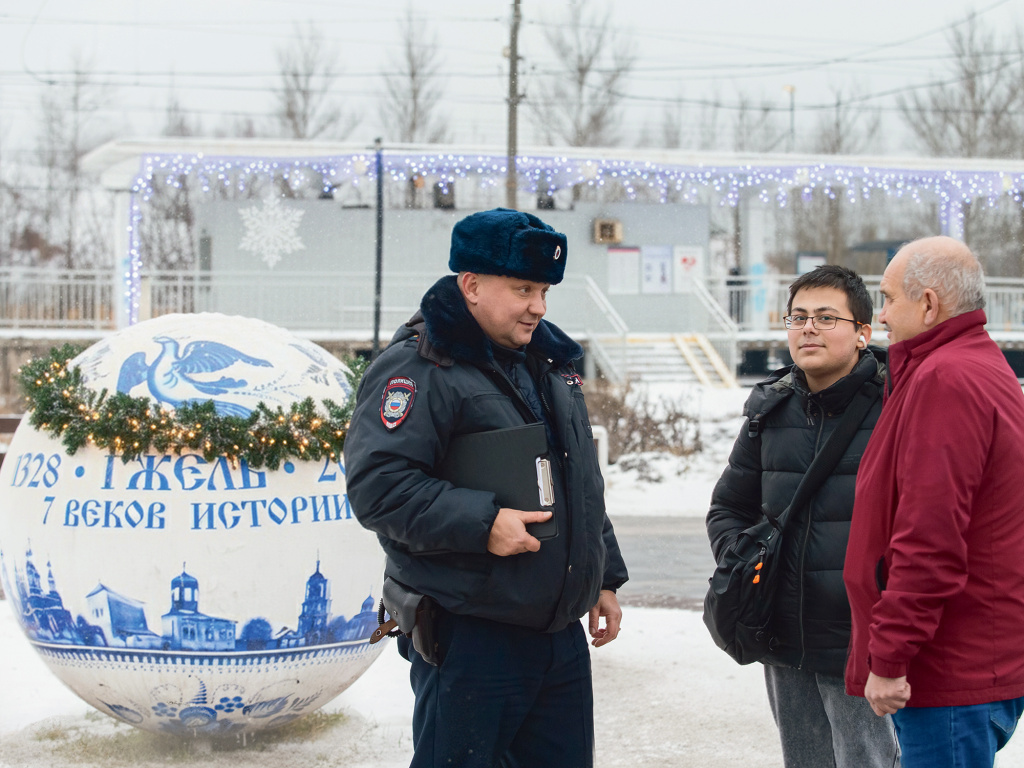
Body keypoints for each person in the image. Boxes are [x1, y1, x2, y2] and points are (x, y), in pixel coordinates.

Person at [343, 207, 628, 768]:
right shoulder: (420, 367)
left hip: (558, 635)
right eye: (523, 289)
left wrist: (603, 575)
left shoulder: (550, 363)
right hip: (471, 634)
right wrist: (484, 524)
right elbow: (379, 486)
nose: (538, 306)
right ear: (471, 286)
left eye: (543, 291)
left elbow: (577, 480)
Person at [707, 265, 899, 767]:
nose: (808, 328)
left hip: (860, 640)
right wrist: (747, 564)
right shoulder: (770, 410)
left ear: (863, 332)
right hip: (782, 636)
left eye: (826, 317)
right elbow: (728, 506)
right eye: (798, 317)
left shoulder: (896, 408)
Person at [844, 236, 1024, 767]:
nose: (880, 316)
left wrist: (890, 655)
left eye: (888, 298)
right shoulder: (972, 364)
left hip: (948, 668)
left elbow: (930, 537)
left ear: (928, 303)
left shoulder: (947, 379)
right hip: (968, 661)